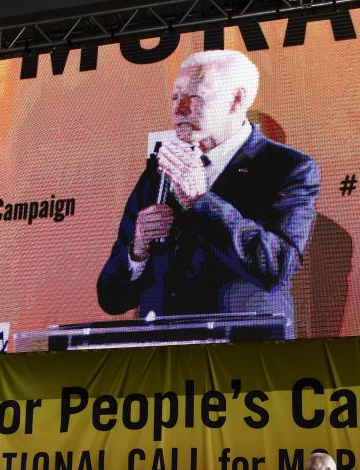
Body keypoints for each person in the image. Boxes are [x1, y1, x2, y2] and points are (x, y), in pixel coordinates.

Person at [96, 49, 320, 339]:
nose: (179, 110)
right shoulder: (158, 174)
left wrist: (201, 202)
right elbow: (111, 299)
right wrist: (137, 251)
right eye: (175, 97)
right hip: (162, 364)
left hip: (245, 358)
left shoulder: (289, 168)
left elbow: (275, 267)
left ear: (237, 100)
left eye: (195, 97)